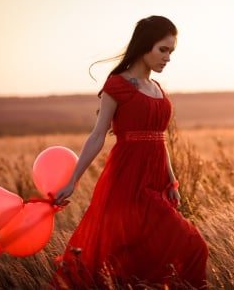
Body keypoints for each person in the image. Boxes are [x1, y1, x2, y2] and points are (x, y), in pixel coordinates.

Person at [50, 15, 209, 289]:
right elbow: (98, 135)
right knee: (192, 245)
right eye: (163, 49)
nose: (168, 58)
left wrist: (171, 180)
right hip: (127, 183)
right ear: (145, 45)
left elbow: (159, 140)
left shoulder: (156, 88)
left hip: (155, 182)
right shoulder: (117, 85)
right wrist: (73, 180)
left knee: (160, 252)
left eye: (171, 51)